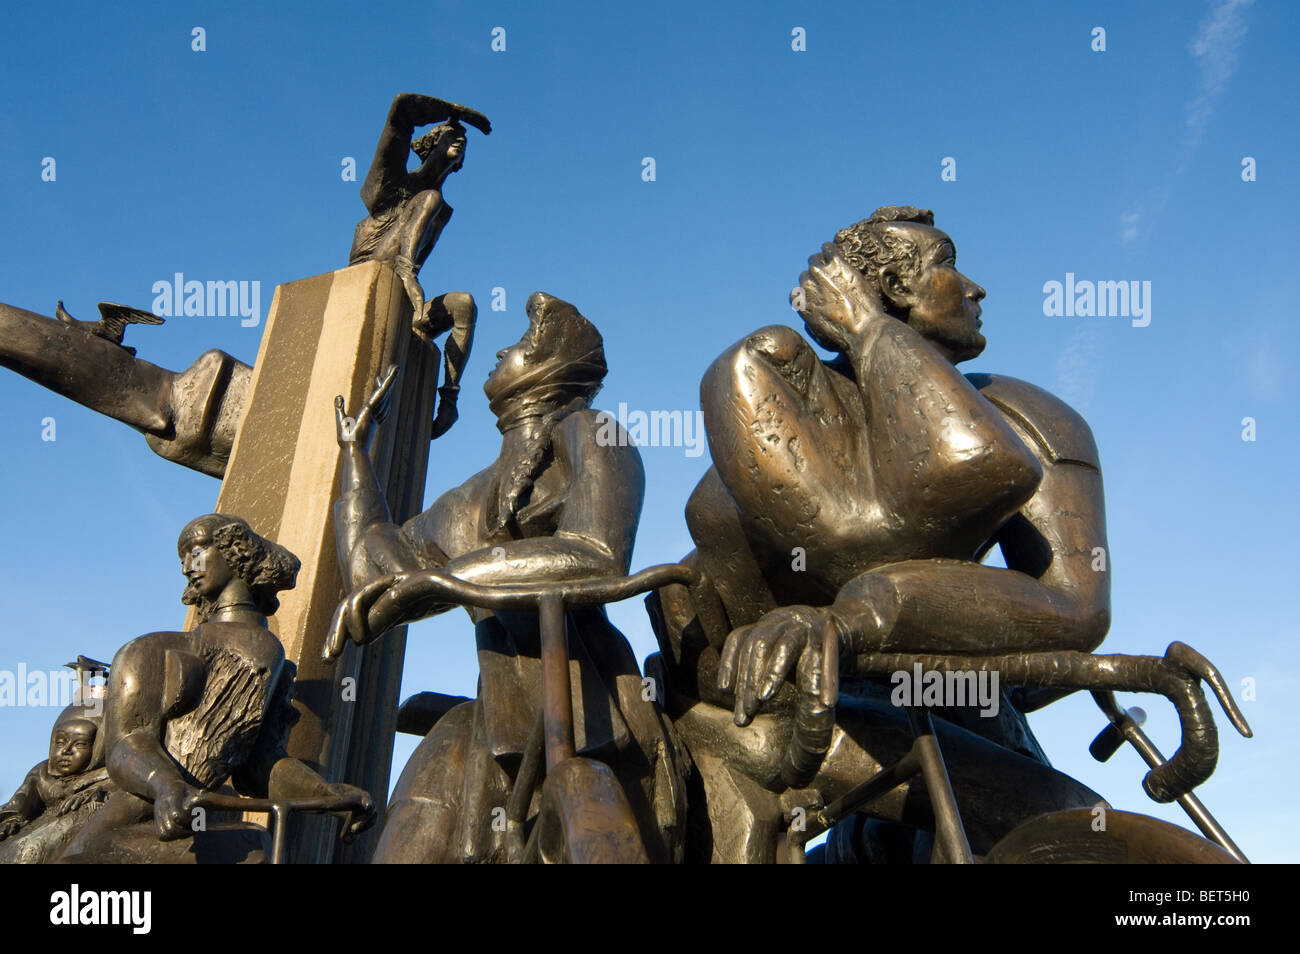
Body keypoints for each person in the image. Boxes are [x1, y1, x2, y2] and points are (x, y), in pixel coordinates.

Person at [648, 206, 1122, 861]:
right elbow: (852, 546)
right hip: (755, 708)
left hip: (935, 694)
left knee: (1079, 826)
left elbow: (1076, 610)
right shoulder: (774, 376)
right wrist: (871, 330)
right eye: (948, 265)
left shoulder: (1035, 417)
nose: (976, 288)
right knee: (1053, 822)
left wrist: (870, 330)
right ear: (886, 291)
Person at [328, 292, 685, 863]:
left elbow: (595, 553)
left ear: (554, 366)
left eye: (520, 342)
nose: (498, 349)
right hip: (492, 724)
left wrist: (447, 579)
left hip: (590, 707)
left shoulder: (593, 432)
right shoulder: (464, 498)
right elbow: (375, 572)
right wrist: (355, 457)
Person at [57, 514, 373, 863]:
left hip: (200, 815)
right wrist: (165, 785)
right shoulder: (150, 650)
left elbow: (259, 768)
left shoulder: (275, 662)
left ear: (235, 550)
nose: (186, 568)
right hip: (128, 824)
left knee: (255, 850)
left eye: (196, 551)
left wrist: (326, 794)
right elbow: (127, 744)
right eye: (182, 559)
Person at [349, 92, 491, 438]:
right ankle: (406, 268)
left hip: (402, 295)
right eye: (450, 135)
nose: (460, 139)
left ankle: (449, 401)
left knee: (464, 305)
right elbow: (400, 113)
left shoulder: (442, 210)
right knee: (430, 198)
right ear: (430, 144)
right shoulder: (396, 182)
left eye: (464, 142)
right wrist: (458, 114)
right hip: (369, 274)